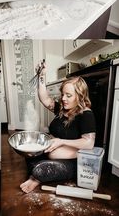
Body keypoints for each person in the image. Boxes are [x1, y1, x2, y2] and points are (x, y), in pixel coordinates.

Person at [20, 61, 96, 194]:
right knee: (29, 152)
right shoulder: (62, 109)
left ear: (80, 96)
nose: (63, 99)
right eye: (63, 94)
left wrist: (61, 141)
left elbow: (89, 143)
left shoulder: (86, 114)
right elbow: (44, 98)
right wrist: (41, 76)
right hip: (51, 154)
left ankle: (36, 176)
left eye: (68, 95)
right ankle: (38, 171)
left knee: (39, 170)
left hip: (71, 161)